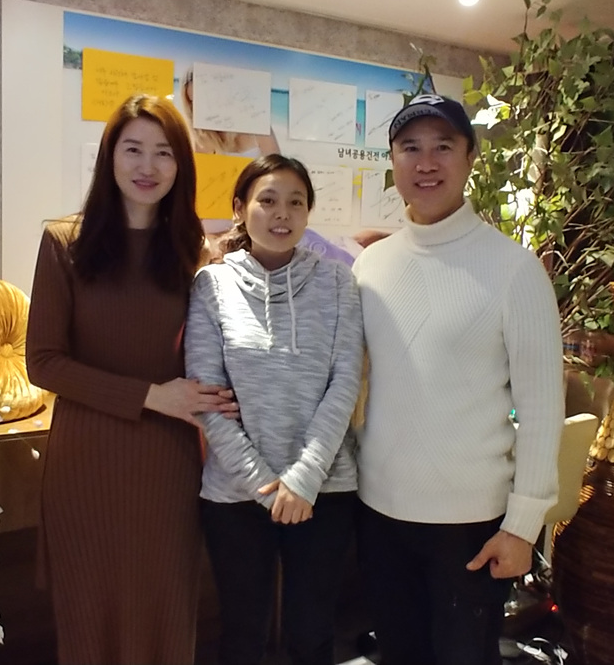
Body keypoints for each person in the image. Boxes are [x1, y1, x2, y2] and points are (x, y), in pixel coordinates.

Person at [352, 93, 565, 664]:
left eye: (443, 147)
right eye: (410, 148)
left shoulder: (515, 270)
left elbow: (542, 410)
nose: (426, 163)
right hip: (379, 513)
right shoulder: (371, 265)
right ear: (393, 161)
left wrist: (522, 527)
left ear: (470, 157)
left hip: (471, 525)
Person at [25, 94, 237, 665]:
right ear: (109, 157)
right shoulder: (64, 243)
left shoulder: (196, 253)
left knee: (165, 610)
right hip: (86, 460)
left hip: (168, 464)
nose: (148, 166)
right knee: (89, 618)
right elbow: (42, 362)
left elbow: (215, 356)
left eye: (164, 152)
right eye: (133, 149)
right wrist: (150, 396)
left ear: (181, 165)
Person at [185, 154, 364, 665]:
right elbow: (208, 396)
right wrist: (266, 487)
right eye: (267, 200)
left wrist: (303, 480)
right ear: (240, 208)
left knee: (313, 634)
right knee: (243, 635)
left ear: (308, 212)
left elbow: (344, 383)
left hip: (324, 490)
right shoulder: (211, 285)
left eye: (296, 202)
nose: (282, 213)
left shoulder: (338, 283)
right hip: (236, 495)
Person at [180, 68, 281, 157]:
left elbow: (277, 167)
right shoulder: (200, 138)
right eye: (194, 103)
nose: (200, 108)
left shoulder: (257, 124)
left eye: (204, 98)